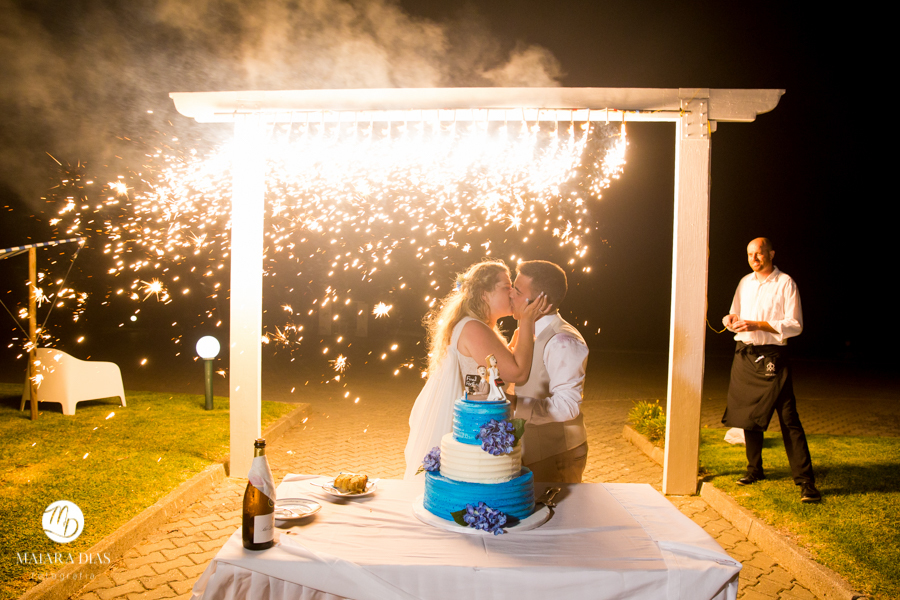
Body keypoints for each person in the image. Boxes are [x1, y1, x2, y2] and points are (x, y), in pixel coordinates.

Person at [403, 259, 550, 479]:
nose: (511, 294)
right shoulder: (473, 328)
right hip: (468, 432)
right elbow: (516, 373)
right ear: (484, 294)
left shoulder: (477, 325)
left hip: (474, 425)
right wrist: (527, 322)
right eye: (505, 288)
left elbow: (490, 372)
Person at [721, 237, 820, 503]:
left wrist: (757, 325)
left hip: (773, 357)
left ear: (771, 254)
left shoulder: (785, 283)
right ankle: (754, 470)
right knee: (747, 416)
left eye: (759, 253)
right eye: (750, 254)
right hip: (745, 355)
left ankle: (805, 481)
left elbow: (795, 324)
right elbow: (734, 315)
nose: (754, 258)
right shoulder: (745, 282)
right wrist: (729, 320)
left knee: (789, 418)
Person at [509, 260, 589, 483]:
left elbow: (567, 406)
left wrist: (513, 403)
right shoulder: (525, 331)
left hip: (556, 456)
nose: (510, 296)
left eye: (517, 291)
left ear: (542, 303)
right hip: (532, 451)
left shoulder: (563, 341)